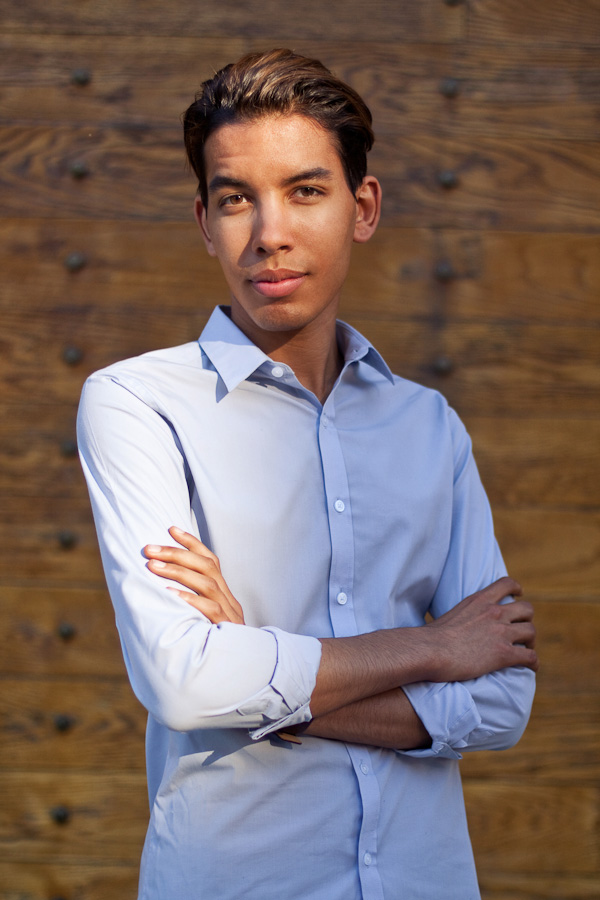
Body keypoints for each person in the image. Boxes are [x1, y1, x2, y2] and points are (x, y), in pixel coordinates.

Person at [77, 49, 537, 900]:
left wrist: (261, 669)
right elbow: (184, 680)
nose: (269, 234)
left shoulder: (430, 426)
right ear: (204, 221)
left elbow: (504, 701)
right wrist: (435, 648)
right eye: (235, 199)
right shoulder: (137, 403)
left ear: (363, 208)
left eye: (305, 191)